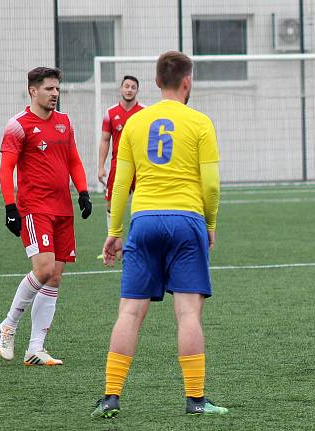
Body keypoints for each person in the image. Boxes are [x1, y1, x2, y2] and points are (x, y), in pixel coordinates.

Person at [92, 51, 226, 418]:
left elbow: (121, 183)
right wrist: (209, 223)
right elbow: (211, 185)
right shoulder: (200, 122)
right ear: (187, 82)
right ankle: (196, 400)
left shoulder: (135, 123)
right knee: (187, 315)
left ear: (154, 83)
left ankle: (110, 397)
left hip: (145, 221)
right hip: (186, 221)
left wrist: (114, 231)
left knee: (131, 312)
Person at [0, 66, 93, 366]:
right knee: (44, 269)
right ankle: (8, 325)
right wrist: (10, 207)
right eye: (49, 89)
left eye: (57, 89)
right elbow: (6, 169)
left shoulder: (64, 122)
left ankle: (35, 349)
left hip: (62, 208)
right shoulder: (18, 125)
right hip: (35, 208)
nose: (55, 94)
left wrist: (83, 192)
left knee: (55, 277)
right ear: (33, 91)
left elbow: (74, 160)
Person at [97, 75, 144, 236]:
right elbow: (104, 140)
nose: (129, 90)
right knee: (111, 203)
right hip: (118, 164)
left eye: (133, 87)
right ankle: (112, 240)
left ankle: (139, 240)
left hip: (140, 165)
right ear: (121, 88)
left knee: (143, 202)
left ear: (137, 90)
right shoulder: (110, 113)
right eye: (127, 86)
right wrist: (101, 167)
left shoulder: (145, 112)